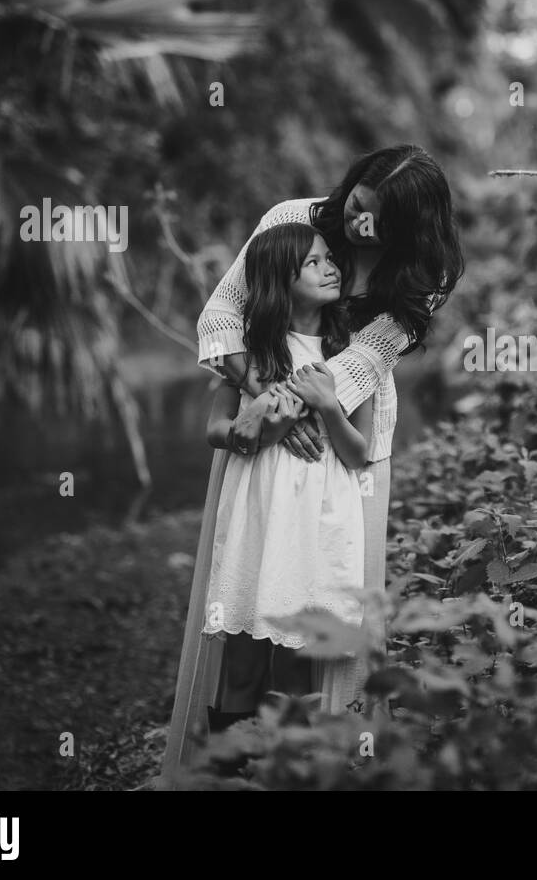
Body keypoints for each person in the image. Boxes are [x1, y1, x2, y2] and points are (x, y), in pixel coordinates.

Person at [161, 145, 463, 784]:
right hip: (259, 433)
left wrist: (297, 411)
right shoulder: (292, 221)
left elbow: (359, 367)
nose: (359, 229)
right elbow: (221, 316)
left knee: (321, 599)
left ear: (412, 229)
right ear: (350, 186)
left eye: (380, 222)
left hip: (341, 440)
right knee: (247, 591)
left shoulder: (419, 274)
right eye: (358, 207)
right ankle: (226, 761)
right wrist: (263, 398)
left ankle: (319, 760)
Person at [200, 221, 373, 733]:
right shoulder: (250, 349)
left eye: (330, 258)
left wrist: (327, 407)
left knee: (297, 656)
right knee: (244, 653)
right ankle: (229, 769)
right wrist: (250, 432)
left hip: (318, 510)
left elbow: (359, 453)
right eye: (315, 262)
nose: (332, 267)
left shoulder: (352, 353)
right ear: (281, 278)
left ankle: (287, 769)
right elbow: (215, 426)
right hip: (261, 502)